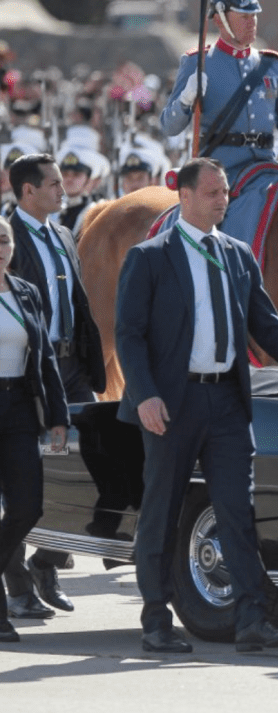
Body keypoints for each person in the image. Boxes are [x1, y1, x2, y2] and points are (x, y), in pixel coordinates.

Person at [114, 158, 278, 654]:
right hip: (171, 404)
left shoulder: (238, 255)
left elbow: (269, 327)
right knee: (161, 513)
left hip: (225, 401)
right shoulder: (150, 257)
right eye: (212, 193)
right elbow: (129, 335)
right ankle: (156, 620)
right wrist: (145, 394)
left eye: (225, 192)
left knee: (237, 511)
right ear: (184, 196)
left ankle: (251, 620)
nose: (223, 200)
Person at [6, 153, 106, 619]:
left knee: (92, 464)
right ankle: (18, 586)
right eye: (52, 184)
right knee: (24, 483)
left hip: (72, 370)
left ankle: (48, 560)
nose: (63, 191)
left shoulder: (64, 235)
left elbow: (78, 302)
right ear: (27, 191)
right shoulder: (7, 238)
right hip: (28, 376)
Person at [0, 215, 69, 644]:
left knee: (28, 507)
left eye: (3, 240)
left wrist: (58, 416)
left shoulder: (26, 292)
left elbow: (45, 358)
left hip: (20, 410)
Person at [159, 0, 278, 189]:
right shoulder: (197, 62)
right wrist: (185, 99)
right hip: (218, 174)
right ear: (219, 20)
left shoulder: (272, 65)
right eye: (244, 17)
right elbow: (169, 127)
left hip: (266, 168)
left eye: (254, 16)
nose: (252, 22)